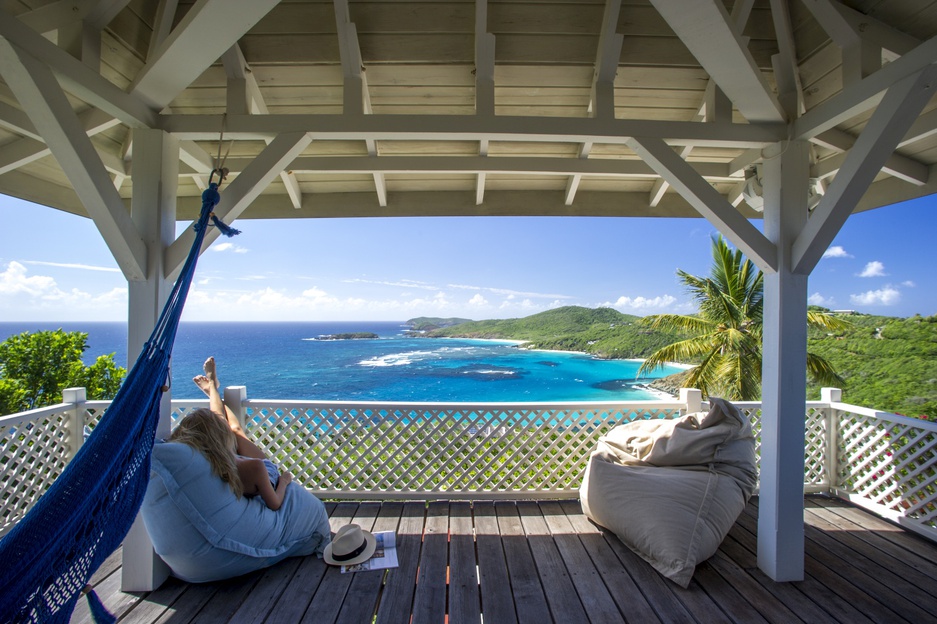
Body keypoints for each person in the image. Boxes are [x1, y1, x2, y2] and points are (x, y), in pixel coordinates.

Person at [169, 357, 293, 510]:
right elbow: (274, 504)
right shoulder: (257, 467)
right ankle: (213, 389)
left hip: (226, 458)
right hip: (263, 472)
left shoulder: (200, 462)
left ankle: (213, 390)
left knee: (225, 425)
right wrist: (284, 481)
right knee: (235, 429)